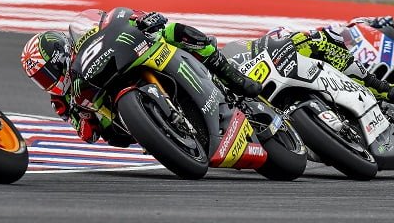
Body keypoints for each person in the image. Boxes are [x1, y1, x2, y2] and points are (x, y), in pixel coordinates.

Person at [21, 8, 262, 146]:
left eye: (47, 73)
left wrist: (142, 19)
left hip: (124, 59)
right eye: (40, 80)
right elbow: (88, 136)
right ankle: (159, 128)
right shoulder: (60, 101)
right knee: (111, 134)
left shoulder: (84, 39)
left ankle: (233, 77)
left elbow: (114, 20)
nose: (48, 82)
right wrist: (84, 115)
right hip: (114, 113)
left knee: (172, 31)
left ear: (62, 55)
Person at [266, 16, 394, 101]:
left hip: (336, 76)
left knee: (331, 46)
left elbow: (348, 25)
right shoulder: (270, 65)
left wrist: (375, 21)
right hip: (301, 89)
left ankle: (382, 87)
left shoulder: (306, 39)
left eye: (284, 40)